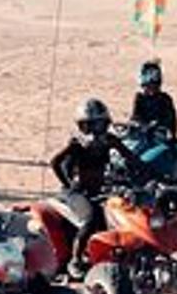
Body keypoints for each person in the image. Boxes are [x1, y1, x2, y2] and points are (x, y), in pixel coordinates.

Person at [49, 98, 148, 255]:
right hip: (77, 192)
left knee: (122, 213)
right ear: (82, 126)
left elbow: (132, 159)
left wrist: (149, 176)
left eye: (100, 124)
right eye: (92, 124)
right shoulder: (77, 144)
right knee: (91, 219)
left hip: (101, 188)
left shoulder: (110, 140)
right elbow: (55, 162)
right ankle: (76, 260)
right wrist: (67, 184)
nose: (97, 129)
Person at [130, 60, 177, 138]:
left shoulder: (165, 99)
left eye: (154, 86)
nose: (151, 90)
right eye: (147, 87)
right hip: (142, 135)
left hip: (160, 137)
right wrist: (139, 124)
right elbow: (135, 116)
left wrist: (156, 124)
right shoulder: (140, 98)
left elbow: (170, 122)